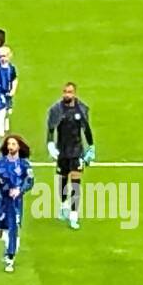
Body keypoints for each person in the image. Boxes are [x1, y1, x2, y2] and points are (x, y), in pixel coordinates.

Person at [46, 82, 96, 230]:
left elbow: (86, 129)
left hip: (76, 151)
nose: (67, 95)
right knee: (62, 182)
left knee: (75, 184)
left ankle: (74, 215)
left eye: (70, 92)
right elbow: (50, 129)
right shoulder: (56, 109)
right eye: (65, 92)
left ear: (74, 93)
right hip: (62, 151)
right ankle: (63, 206)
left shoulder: (81, 109)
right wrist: (50, 144)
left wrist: (91, 146)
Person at [0, 134, 34, 272]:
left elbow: (30, 181)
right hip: (1, 200)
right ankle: (9, 243)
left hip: (15, 202)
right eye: (9, 144)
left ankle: (10, 257)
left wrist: (20, 190)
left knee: (12, 228)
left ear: (19, 146)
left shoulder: (25, 164)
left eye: (13, 144)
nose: (10, 147)